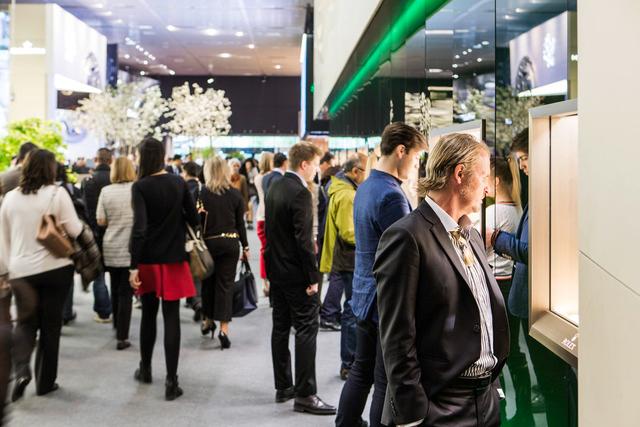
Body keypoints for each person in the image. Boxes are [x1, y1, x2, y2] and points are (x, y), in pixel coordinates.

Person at [373, 133, 509, 427]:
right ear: (459, 174)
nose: (487, 187)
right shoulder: (406, 236)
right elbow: (397, 336)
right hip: (440, 405)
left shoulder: (470, 234)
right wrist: (412, 414)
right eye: (483, 176)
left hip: (485, 402)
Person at [336, 122, 427, 427]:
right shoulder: (391, 195)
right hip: (384, 300)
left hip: (364, 293)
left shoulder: (366, 186)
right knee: (383, 379)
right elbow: (405, 254)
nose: (415, 165)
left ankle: (345, 422)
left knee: (362, 369)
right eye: (415, 157)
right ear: (401, 151)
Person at [490, 129, 574, 427]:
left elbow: (534, 250)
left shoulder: (549, 195)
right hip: (534, 299)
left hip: (537, 301)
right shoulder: (540, 194)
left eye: (525, 158)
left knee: (552, 381)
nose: (523, 166)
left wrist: (497, 239)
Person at [0, 149, 83, 401]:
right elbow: (75, 229)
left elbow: (3, 239)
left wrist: (5, 271)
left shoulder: (10, 198)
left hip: (20, 271)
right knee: (51, 325)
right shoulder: (57, 194)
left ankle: (21, 369)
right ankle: (46, 382)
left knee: (25, 322)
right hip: (56, 268)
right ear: (50, 169)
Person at [265, 141, 336, 415]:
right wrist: (312, 277)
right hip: (297, 274)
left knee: (280, 327)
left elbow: (271, 233)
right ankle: (305, 394)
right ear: (304, 164)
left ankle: (283, 386)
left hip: (277, 271)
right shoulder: (301, 193)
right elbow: (304, 241)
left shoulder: (274, 186)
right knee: (307, 328)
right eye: (315, 165)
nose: (317, 170)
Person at [129, 138, 199, 401]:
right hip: (174, 258)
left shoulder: (140, 186)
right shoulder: (179, 183)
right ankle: (172, 381)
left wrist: (133, 266)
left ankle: (145, 369)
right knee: (172, 317)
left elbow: (140, 229)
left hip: (148, 259)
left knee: (148, 315)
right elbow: (194, 218)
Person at [319, 154, 367, 381]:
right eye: (365, 171)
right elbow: (349, 233)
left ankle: (350, 361)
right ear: (355, 172)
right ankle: (349, 362)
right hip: (349, 259)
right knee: (352, 310)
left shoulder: (340, 189)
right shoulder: (348, 195)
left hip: (344, 258)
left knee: (351, 308)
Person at [199, 157, 249, 348]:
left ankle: (208, 320)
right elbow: (240, 224)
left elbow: (196, 220)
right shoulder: (234, 194)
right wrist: (245, 246)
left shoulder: (201, 193)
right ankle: (224, 329)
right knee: (225, 286)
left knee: (207, 283)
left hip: (208, 244)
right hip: (230, 243)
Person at [97, 157, 136, 351]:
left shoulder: (106, 191)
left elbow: (100, 220)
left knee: (114, 286)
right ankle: (122, 335)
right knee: (126, 291)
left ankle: (116, 324)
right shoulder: (136, 190)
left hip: (111, 244)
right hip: (130, 246)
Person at [82, 147, 114, 323]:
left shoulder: (89, 181)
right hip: (115, 232)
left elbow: (86, 209)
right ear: (111, 160)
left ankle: (103, 311)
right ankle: (118, 308)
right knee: (117, 274)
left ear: (96, 160)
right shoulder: (116, 179)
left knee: (99, 274)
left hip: (95, 232)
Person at [182, 161, 204, 321]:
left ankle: (193, 299)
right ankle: (196, 299)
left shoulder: (184, 187)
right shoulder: (200, 188)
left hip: (186, 233)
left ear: (186, 172)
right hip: (198, 234)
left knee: (189, 266)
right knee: (197, 267)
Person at [254, 152, 274, 296]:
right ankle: (269, 281)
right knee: (270, 250)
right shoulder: (271, 177)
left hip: (261, 215)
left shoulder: (257, 177)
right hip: (269, 216)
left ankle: (264, 282)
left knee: (263, 250)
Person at [240, 158, 258, 230]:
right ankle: (246, 220)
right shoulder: (242, 171)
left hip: (251, 191)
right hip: (243, 190)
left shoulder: (254, 170)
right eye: (247, 164)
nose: (248, 165)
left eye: (249, 164)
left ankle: (250, 221)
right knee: (245, 206)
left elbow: (255, 179)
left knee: (250, 205)